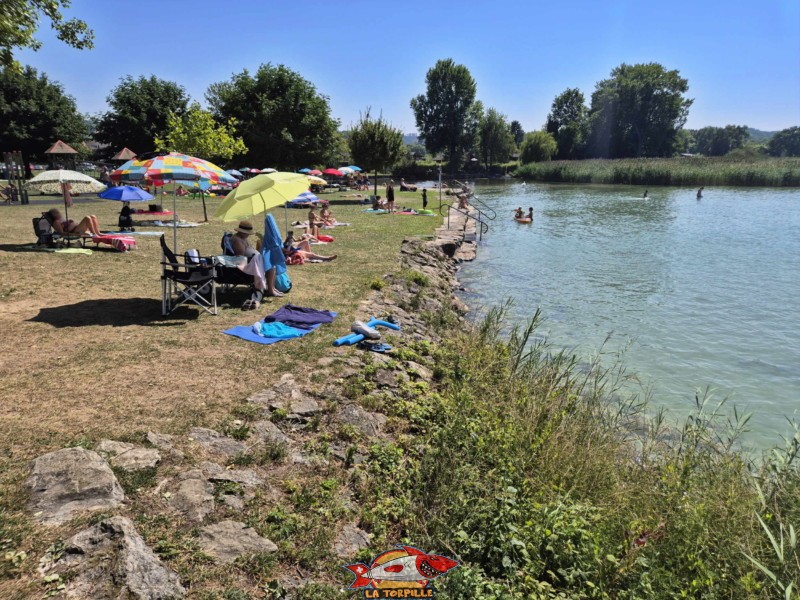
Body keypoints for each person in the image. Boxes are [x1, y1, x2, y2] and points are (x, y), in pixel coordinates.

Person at [230, 220, 282, 298]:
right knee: (270, 264)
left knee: (272, 262)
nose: (248, 235)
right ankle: (270, 290)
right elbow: (240, 254)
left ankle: (272, 288)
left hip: (253, 259)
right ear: (242, 231)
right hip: (247, 263)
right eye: (247, 233)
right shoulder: (237, 239)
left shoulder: (243, 238)